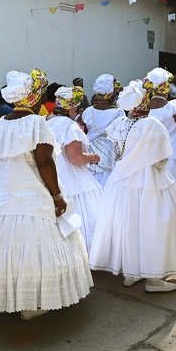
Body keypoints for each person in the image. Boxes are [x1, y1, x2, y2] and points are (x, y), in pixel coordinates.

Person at [0, 69, 93, 320]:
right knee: (36, 247)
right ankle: (34, 301)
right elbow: (45, 162)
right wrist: (58, 196)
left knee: (5, 247)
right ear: (32, 97)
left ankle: (9, 295)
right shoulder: (36, 123)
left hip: (0, 197)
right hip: (32, 196)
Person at [89, 102, 176, 293]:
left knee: (128, 225)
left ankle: (132, 273)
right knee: (153, 226)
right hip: (150, 180)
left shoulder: (119, 124)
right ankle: (153, 279)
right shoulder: (151, 124)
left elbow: (116, 154)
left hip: (121, 181)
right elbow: (161, 160)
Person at [47, 86, 103, 251]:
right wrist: (93, 157)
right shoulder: (68, 126)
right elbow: (76, 158)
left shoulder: (45, 121)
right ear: (71, 107)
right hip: (71, 179)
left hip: (50, 177)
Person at [146, 67, 176, 203]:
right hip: (175, 151)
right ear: (166, 86)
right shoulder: (172, 107)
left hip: (152, 152)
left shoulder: (144, 108)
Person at [81, 74, 125, 187]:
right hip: (110, 152)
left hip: (91, 152)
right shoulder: (118, 112)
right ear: (110, 92)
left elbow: (84, 132)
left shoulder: (87, 111)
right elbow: (121, 136)